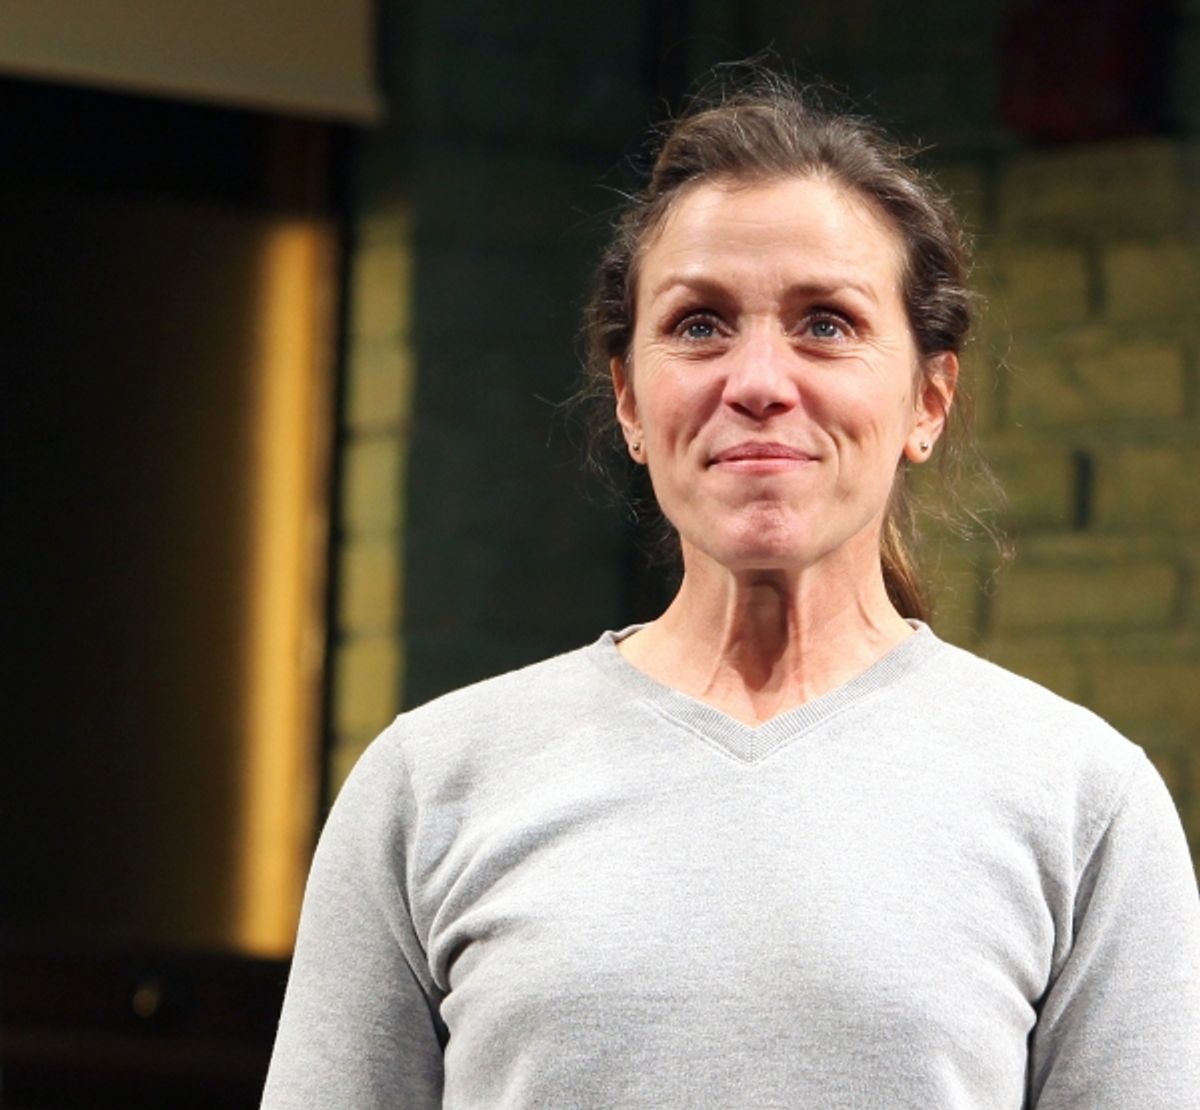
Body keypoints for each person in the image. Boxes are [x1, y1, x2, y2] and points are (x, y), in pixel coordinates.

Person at [261, 74, 1200, 1109]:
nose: (758, 379)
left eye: (827, 324)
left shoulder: (1083, 805)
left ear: (929, 399)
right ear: (629, 398)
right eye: (701, 324)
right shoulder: (430, 787)